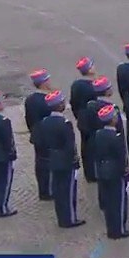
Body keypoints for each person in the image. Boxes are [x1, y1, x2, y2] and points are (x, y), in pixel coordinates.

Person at [38, 91, 84, 228]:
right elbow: (70, 146)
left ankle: (61, 217)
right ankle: (69, 218)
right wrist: (75, 161)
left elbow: (42, 143)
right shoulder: (65, 123)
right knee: (68, 191)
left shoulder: (44, 122)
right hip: (65, 161)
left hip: (51, 158)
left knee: (58, 190)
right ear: (58, 106)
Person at [92, 104, 129, 239]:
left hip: (102, 170)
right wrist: (126, 173)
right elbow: (121, 157)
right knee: (118, 202)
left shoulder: (98, 134)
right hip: (115, 172)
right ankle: (119, 229)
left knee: (109, 202)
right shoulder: (116, 137)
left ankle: (111, 228)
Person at [23, 68, 55, 201]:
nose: (50, 82)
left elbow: (28, 118)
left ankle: (43, 189)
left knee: (40, 163)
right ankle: (49, 190)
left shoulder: (30, 99)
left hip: (36, 134)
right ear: (43, 83)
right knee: (49, 163)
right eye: (47, 80)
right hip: (48, 135)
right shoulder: (47, 100)